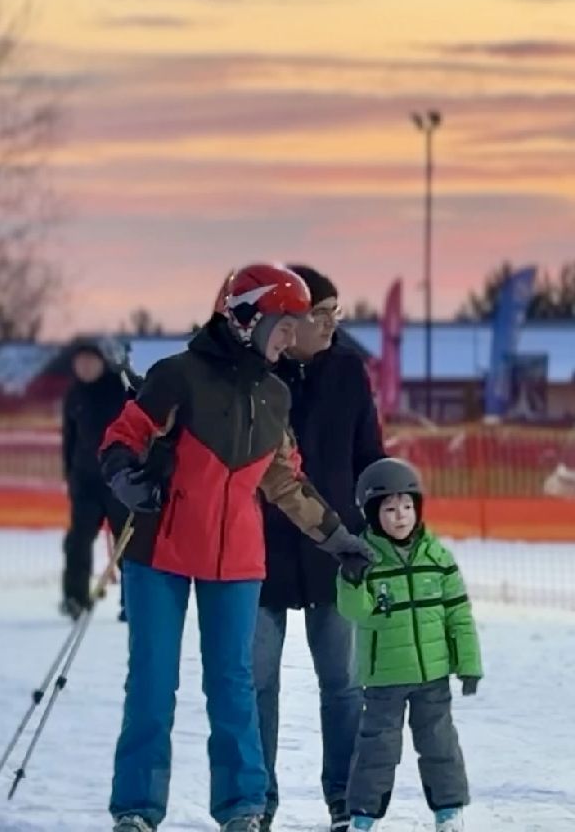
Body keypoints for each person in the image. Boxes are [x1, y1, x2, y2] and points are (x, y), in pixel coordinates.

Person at [101, 263, 377, 832]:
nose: (290, 338)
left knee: (233, 685)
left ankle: (243, 807)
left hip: (236, 558)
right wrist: (126, 476)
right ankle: (137, 807)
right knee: (153, 682)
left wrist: (338, 540)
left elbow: (287, 482)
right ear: (250, 318)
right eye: (284, 326)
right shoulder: (176, 375)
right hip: (161, 549)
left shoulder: (274, 394)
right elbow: (123, 435)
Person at [253, 264, 387, 832]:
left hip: (338, 549)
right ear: (287, 320)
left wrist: (379, 520)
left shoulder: (349, 372)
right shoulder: (256, 374)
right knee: (258, 682)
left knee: (343, 683)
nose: (332, 324)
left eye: (336, 313)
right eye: (319, 314)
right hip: (261, 552)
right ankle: (256, 803)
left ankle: (344, 801)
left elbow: (368, 454)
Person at [336, 457, 479, 832]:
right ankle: (364, 816)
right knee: (377, 749)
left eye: (406, 506)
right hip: (384, 677)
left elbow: (458, 615)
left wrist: (468, 663)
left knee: (439, 744)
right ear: (372, 514)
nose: (400, 516)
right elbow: (356, 612)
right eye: (389, 509)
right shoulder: (364, 562)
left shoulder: (438, 558)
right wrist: (352, 580)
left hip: (433, 675)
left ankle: (449, 811)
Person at [60, 336, 134, 620]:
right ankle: (75, 598)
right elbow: (69, 438)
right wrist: (70, 475)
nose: (85, 367)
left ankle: (133, 602)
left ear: (102, 362)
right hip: (86, 482)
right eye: (80, 363)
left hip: (118, 481)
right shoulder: (74, 395)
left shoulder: (119, 389)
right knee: (78, 541)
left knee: (127, 544)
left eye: (90, 362)